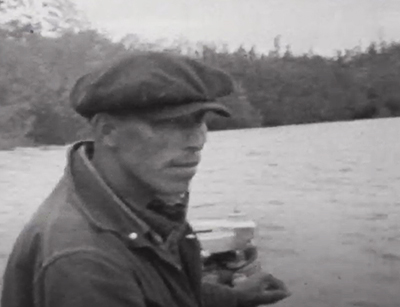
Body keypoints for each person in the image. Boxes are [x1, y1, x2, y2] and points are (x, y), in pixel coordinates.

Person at [1, 52, 291, 307]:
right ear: (107, 131)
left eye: (200, 121)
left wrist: (232, 298)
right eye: (171, 123)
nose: (197, 141)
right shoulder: (85, 262)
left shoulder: (128, 203)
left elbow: (156, 291)